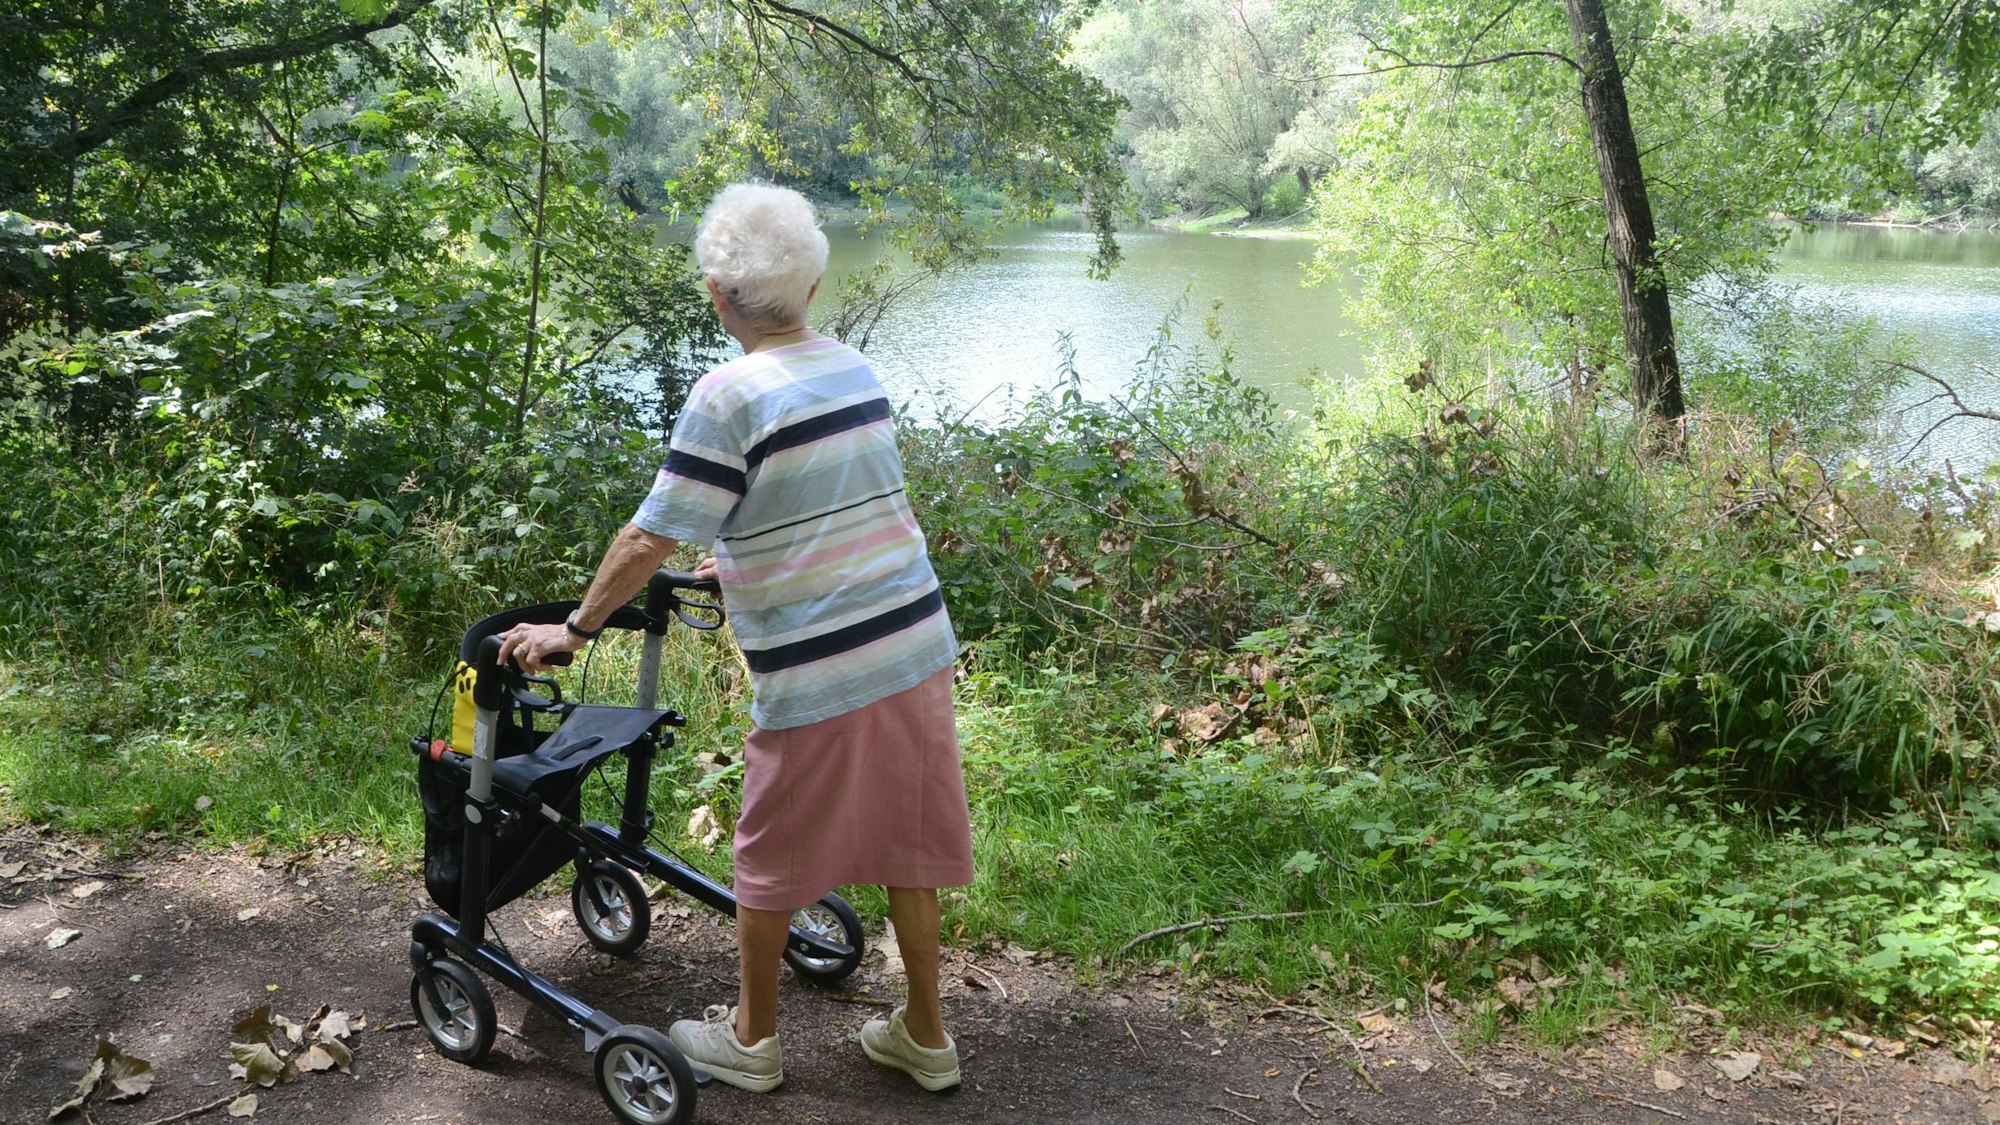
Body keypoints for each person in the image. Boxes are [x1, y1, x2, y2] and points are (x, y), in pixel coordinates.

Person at [495, 181, 974, 1094]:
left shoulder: (727, 394)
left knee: (770, 849)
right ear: (813, 285)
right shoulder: (852, 368)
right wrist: (746, 552)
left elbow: (646, 538)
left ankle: (751, 1042)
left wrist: (574, 628)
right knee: (909, 839)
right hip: (913, 639)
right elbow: (838, 499)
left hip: (820, 665)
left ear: (717, 296)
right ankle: (925, 1032)